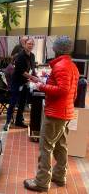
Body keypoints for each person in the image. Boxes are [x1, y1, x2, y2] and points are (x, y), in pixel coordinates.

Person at [24, 36, 79, 192]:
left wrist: (41, 87)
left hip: (56, 113)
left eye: (54, 46)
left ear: (58, 48)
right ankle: (59, 176)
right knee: (61, 146)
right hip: (66, 112)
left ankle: (41, 182)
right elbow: (72, 92)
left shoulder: (61, 66)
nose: (52, 47)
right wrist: (42, 81)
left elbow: (63, 90)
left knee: (45, 147)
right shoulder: (72, 66)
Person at [3, 38, 37, 131]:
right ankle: (7, 122)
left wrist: (36, 76)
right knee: (13, 102)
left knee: (22, 103)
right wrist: (33, 77)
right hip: (17, 82)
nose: (30, 46)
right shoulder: (20, 56)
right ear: (25, 44)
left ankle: (19, 121)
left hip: (26, 83)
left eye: (32, 44)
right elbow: (21, 71)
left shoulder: (32, 56)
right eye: (29, 44)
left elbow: (32, 68)